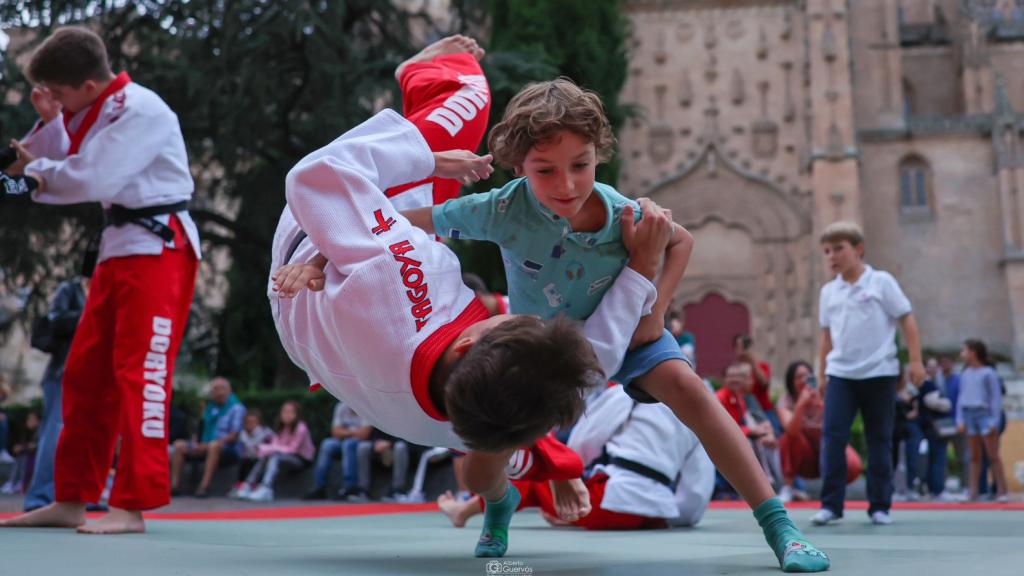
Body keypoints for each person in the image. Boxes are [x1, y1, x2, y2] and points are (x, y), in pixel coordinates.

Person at [276, 79, 829, 571]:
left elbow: (681, 241)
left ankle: (780, 527)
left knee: (690, 389)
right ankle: (498, 507)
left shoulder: (622, 214)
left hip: (624, 320)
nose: (567, 184)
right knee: (481, 463)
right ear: (520, 167)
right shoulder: (502, 210)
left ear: (598, 157)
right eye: (546, 170)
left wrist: (655, 310)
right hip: (534, 356)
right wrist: (321, 259)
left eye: (581, 165)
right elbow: (386, 229)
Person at [269, 104, 675, 562]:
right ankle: (506, 496)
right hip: (342, 363)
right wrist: (642, 268)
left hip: (300, 266)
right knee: (489, 467)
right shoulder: (475, 417)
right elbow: (593, 356)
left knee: (465, 90)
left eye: (512, 319)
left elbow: (316, 174)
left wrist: (431, 159)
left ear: (468, 338)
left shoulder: (400, 277)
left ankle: (420, 73)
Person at [0, 26, 199, 535]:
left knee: (142, 374)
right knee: (84, 375)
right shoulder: (97, 109)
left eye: (62, 95)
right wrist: (51, 124)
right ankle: (70, 497)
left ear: (88, 85)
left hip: (160, 248)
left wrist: (38, 173)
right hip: (119, 250)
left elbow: (95, 176)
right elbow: (74, 153)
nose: (59, 104)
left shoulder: (143, 109)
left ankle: (130, 506)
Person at [438, 384, 715, 531]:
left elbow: (584, 443)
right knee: (562, 498)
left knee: (537, 482)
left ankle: (463, 511)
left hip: (612, 501)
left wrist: (567, 477)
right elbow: (696, 490)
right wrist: (674, 518)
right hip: (654, 513)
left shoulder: (629, 392)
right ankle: (561, 515)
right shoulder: (700, 414)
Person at [814, 221, 925, 526]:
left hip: (880, 373)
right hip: (840, 375)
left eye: (839, 248)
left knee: (879, 440)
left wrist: (915, 362)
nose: (832, 256)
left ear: (858, 249)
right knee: (833, 438)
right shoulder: (828, 292)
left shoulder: (881, 282)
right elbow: (826, 336)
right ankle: (831, 505)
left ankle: (879, 506)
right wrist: (821, 374)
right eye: (827, 251)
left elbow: (907, 319)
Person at [23, 276, 88, 511]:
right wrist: (92, 313)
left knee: (85, 436)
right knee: (54, 433)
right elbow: (57, 320)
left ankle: (79, 497)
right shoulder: (71, 289)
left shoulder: (104, 290)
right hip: (63, 371)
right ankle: (40, 497)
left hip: (91, 375)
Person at [775, 361, 863, 503]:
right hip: (805, 456)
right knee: (788, 438)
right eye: (799, 377)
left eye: (807, 376)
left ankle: (835, 489)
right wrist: (801, 405)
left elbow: (840, 423)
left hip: (827, 448)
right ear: (791, 382)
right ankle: (788, 487)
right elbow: (791, 429)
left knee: (854, 465)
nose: (804, 380)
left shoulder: (825, 395)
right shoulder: (785, 402)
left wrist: (822, 405)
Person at [169, 377, 246, 497]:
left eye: (222, 388)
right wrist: (196, 441)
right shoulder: (209, 408)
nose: (219, 392)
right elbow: (201, 429)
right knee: (179, 445)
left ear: (229, 391)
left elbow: (234, 435)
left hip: (227, 448)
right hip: (205, 444)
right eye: (215, 389)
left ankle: (203, 487)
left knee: (214, 446)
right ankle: (174, 486)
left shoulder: (236, 408)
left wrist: (211, 443)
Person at [955, 339, 1009, 502]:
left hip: (984, 414)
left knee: (993, 455)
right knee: (974, 456)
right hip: (969, 414)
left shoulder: (988, 373)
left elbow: (995, 399)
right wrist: (959, 419)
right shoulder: (965, 374)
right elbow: (961, 397)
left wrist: (994, 421)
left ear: (973, 352)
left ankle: (1002, 490)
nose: (961, 354)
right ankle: (973, 491)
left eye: (964, 351)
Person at [715, 362, 782, 488]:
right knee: (749, 444)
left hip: (739, 435)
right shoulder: (719, 398)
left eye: (738, 376)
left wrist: (761, 433)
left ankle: (774, 482)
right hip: (724, 440)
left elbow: (746, 422)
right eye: (731, 376)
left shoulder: (740, 398)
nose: (735, 380)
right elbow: (721, 427)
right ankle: (760, 483)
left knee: (770, 443)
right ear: (724, 379)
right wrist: (750, 431)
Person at [238, 401, 315, 502]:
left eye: (290, 412)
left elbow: (293, 449)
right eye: (284, 411)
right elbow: (275, 445)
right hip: (282, 455)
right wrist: (265, 450)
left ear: (297, 414)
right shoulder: (281, 427)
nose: (287, 415)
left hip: (301, 459)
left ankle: (266, 488)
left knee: (274, 457)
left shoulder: (301, 427)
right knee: (266, 456)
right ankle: (248, 484)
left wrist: (271, 449)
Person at [304, 401, 372, 500]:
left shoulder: (366, 407)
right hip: (343, 441)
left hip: (359, 443)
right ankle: (319, 486)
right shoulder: (341, 407)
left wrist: (344, 432)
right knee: (327, 444)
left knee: (348, 444)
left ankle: (349, 486)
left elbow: (364, 434)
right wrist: (353, 432)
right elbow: (335, 432)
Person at [734, 334, 780, 435]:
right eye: (741, 346)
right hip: (743, 414)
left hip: (765, 412)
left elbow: (764, 384)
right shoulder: (733, 371)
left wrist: (752, 361)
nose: (743, 350)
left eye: (746, 346)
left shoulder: (762, 366)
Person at [232, 410, 272, 496]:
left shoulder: (265, 432)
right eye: (248, 422)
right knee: (243, 461)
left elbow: (270, 444)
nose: (251, 425)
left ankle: (254, 484)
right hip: (249, 455)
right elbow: (241, 447)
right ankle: (241, 483)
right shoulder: (243, 434)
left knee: (257, 463)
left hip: (262, 456)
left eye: (254, 422)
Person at [1, 411, 40, 494]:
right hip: (30, 456)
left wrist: (22, 448)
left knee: (24, 456)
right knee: (21, 456)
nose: (28, 421)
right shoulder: (33, 432)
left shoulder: (41, 431)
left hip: (34, 459)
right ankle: (14, 482)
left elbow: (35, 446)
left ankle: (18, 482)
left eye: (30, 419)